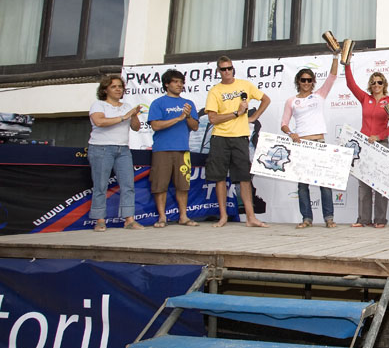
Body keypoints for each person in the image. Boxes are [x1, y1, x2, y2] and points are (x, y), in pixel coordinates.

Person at [205, 56, 270, 228]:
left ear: (233, 68)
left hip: (240, 137)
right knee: (220, 178)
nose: (227, 71)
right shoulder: (215, 91)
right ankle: (223, 217)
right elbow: (212, 118)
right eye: (223, 69)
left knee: (244, 177)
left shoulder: (245, 85)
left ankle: (251, 217)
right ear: (218, 71)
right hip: (220, 138)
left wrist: (254, 117)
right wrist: (236, 113)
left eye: (229, 68)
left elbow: (266, 99)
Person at [281, 54, 339, 228]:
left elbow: (332, 76)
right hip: (302, 145)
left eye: (309, 80)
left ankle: (329, 218)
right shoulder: (291, 101)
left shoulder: (320, 95)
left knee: (324, 183)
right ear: (298, 81)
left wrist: (335, 55)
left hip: (319, 142)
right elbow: (284, 124)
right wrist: (291, 133)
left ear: (313, 82)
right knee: (302, 185)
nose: (306, 83)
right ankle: (307, 218)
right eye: (303, 80)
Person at [345, 63, 389, 228]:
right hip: (364, 145)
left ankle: (380, 220)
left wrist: (379, 136)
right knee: (364, 184)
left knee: (381, 183)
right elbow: (351, 84)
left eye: (379, 82)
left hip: (381, 145)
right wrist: (347, 65)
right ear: (370, 84)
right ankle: (364, 219)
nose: (376, 85)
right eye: (373, 82)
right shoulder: (364, 98)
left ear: (384, 84)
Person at [88, 74, 142, 231]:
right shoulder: (99, 105)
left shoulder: (126, 106)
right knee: (100, 185)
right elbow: (99, 121)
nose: (118, 89)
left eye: (120, 86)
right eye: (114, 87)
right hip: (101, 147)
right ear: (105, 90)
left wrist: (133, 115)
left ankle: (129, 220)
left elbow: (136, 128)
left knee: (128, 184)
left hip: (123, 149)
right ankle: (100, 220)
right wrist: (124, 117)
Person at [147, 69, 200, 228]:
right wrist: (178, 118)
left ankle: (183, 216)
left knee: (183, 185)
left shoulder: (188, 104)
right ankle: (162, 217)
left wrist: (188, 116)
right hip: (162, 149)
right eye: (176, 82)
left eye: (181, 82)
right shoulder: (158, 103)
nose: (179, 85)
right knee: (160, 185)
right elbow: (155, 125)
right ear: (166, 84)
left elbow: (195, 127)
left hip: (182, 149)